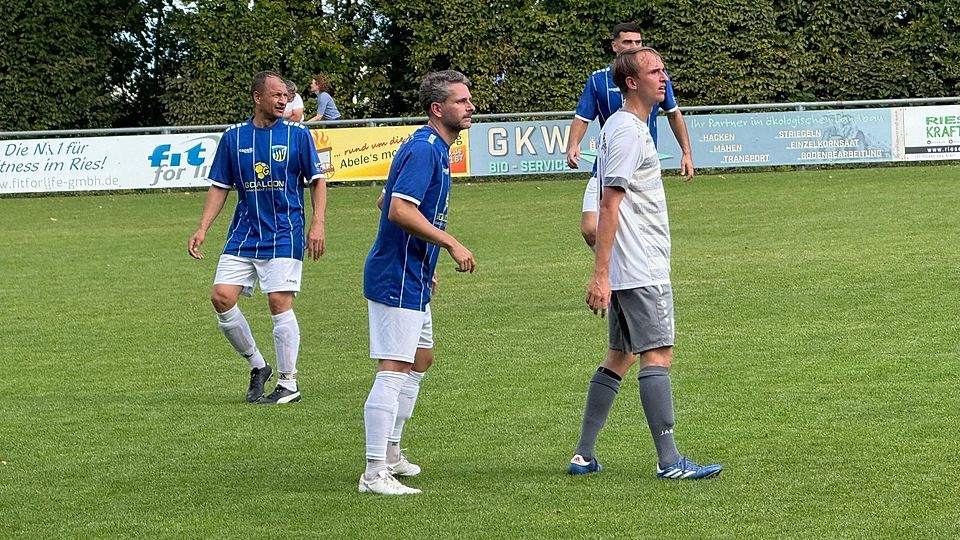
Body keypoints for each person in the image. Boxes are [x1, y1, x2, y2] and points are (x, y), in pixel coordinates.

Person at [569, 47, 721, 480]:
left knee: (620, 355)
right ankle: (670, 461)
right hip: (641, 269)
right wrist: (601, 274)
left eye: (664, 70)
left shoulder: (621, 128)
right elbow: (607, 203)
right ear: (631, 82)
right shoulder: (629, 133)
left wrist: (608, 269)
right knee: (658, 353)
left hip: (627, 268)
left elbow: (599, 209)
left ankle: (584, 454)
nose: (664, 77)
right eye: (655, 71)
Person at [358, 69, 476, 496]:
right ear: (437, 109)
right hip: (396, 275)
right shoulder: (427, 149)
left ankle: (390, 452)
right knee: (393, 368)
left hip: (414, 272)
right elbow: (398, 210)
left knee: (420, 359)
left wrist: (429, 259)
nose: (471, 107)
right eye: (462, 101)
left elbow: (384, 197)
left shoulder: (432, 148)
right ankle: (373, 473)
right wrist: (449, 244)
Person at [187, 70, 326, 405]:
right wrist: (203, 226)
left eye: (286, 96)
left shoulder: (297, 135)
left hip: (285, 231)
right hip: (244, 232)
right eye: (277, 95)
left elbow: (318, 180)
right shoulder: (233, 138)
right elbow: (220, 186)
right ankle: (258, 364)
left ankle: (289, 383)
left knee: (278, 302)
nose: (283, 101)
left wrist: (318, 222)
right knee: (221, 297)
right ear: (257, 97)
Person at [565, 22, 695, 249]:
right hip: (606, 165)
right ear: (615, 46)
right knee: (590, 228)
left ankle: (621, 274)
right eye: (627, 42)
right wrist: (574, 144)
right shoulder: (598, 80)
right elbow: (582, 117)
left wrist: (686, 152)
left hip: (641, 168)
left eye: (638, 42)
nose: (633, 46)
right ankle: (610, 271)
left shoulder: (656, 78)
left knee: (640, 234)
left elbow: (673, 113)